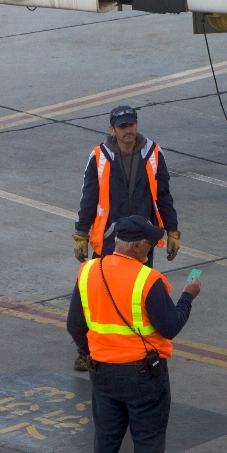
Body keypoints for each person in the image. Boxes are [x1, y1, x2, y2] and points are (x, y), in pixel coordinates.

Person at [66, 216, 199, 453]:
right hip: (142, 375)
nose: (151, 249)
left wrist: (91, 355)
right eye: (150, 244)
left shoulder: (88, 271)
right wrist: (187, 297)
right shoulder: (147, 280)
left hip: (102, 373)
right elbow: (169, 327)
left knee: (106, 442)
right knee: (148, 444)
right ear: (137, 245)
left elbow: (74, 324)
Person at [72, 105, 180, 371]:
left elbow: (163, 195)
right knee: (99, 293)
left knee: (139, 292)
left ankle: (136, 344)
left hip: (142, 238)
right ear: (112, 129)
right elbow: (89, 197)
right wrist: (81, 234)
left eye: (131, 125)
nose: (128, 130)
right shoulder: (98, 156)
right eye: (122, 127)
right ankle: (86, 350)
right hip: (109, 238)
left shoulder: (153, 153)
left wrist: (172, 230)